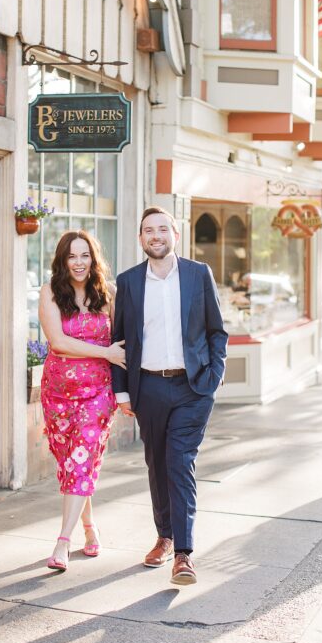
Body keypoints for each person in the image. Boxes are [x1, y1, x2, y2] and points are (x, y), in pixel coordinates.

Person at [111, 206, 228, 585]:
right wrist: (123, 392)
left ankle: (183, 554)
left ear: (175, 234)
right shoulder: (128, 282)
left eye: (163, 229)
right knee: (157, 463)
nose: (156, 236)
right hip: (150, 387)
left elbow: (216, 332)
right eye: (148, 230)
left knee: (179, 462)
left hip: (193, 388)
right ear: (140, 238)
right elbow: (120, 340)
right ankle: (164, 535)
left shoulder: (198, 274)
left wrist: (213, 378)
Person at [38, 230, 126, 572]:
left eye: (85, 255)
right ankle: (90, 529)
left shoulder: (108, 295)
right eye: (72, 256)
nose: (79, 262)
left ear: (94, 259)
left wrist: (125, 393)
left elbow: (124, 345)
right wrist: (105, 351)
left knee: (80, 461)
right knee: (73, 465)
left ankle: (63, 542)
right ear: (63, 260)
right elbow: (58, 342)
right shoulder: (50, 293)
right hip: (57, 396)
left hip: (98, 395)